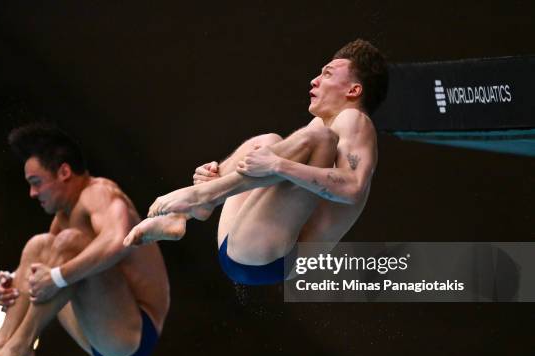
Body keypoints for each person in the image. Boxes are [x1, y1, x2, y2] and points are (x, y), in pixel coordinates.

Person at [124, 39, 388, 285]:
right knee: (267, 140)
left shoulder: (356, 120)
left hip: (276, 257)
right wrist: (221, 172)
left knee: (314, 137)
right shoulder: (324, 124)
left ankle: (202, 198)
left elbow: (353, 189)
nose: (315, 80)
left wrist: (277, 166)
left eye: (328, 74)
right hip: (244, 242)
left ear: (354, 90)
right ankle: (186, 212)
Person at [0, 123, 169, 356]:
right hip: (96, 327)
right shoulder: (64, 216)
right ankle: (1, 345)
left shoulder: (100, 193)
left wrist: (56, 277)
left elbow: (117, 241)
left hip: (133, 333)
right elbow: (42, 270)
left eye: (36, 182)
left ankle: (17, 347)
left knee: (68, 244)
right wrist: (14, 284)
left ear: (64, 171)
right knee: (38, 246)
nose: (32, 193)